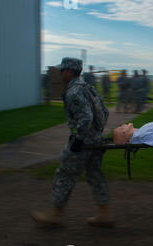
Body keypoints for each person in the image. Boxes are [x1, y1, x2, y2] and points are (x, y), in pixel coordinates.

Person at [31, 57, 112, 227]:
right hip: (96, 138)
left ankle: (55, 214)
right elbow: (104, 111)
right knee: (94, 174)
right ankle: (104, 213)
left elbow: (86, 116)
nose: (60, 73)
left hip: (83, 141)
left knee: (65, 174)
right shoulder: (88, 88)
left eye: (62, 70)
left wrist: (79, 138)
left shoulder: (74, 91)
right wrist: (97, 132)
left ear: (69, 71)